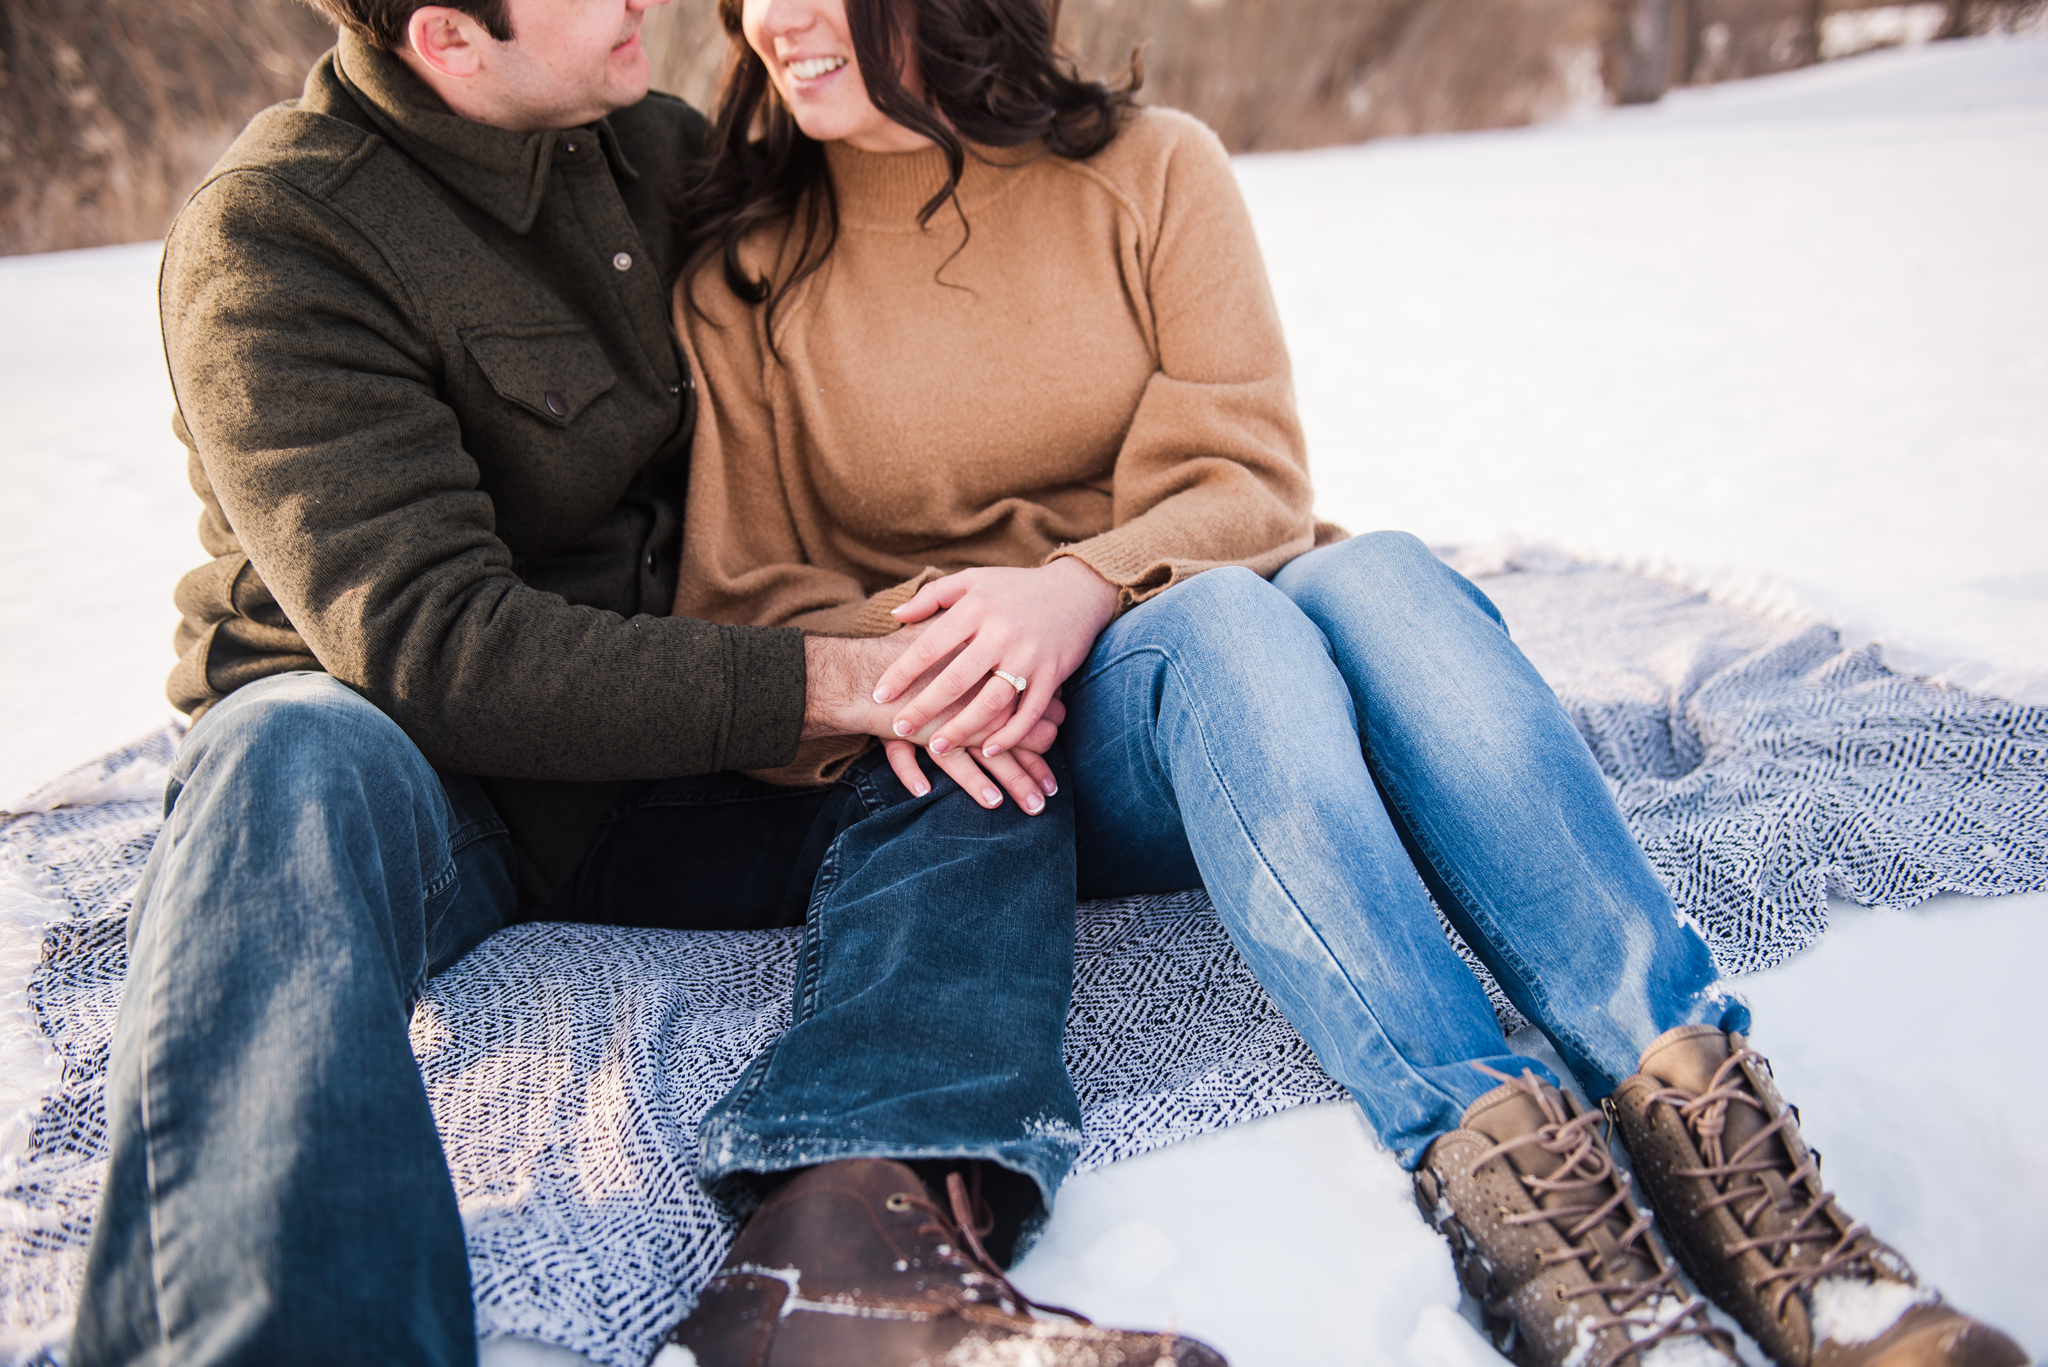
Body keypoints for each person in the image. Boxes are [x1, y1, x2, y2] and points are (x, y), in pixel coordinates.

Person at [658, 1, 2031, 1366]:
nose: (776, 17)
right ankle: (1524, 1209)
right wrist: (954, 660)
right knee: (1225, 632)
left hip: (1196, 638)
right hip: (1033, 747)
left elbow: (1249, 478)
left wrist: (1075, 585)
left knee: (1379, 572)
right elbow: (747, 598)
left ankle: (1732, 1159)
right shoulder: (753, 266)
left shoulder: (1149, 170)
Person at [73, 0, 1212, 1363]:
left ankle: (840, 1253)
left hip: (663, 761)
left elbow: (892, 273)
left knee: (970, 737)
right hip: (423, 779)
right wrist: (833, 680)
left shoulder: (654, 148)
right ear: (449, 37)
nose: (648, 0)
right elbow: (438, 645)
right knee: (282, 756)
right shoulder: (277, 234)